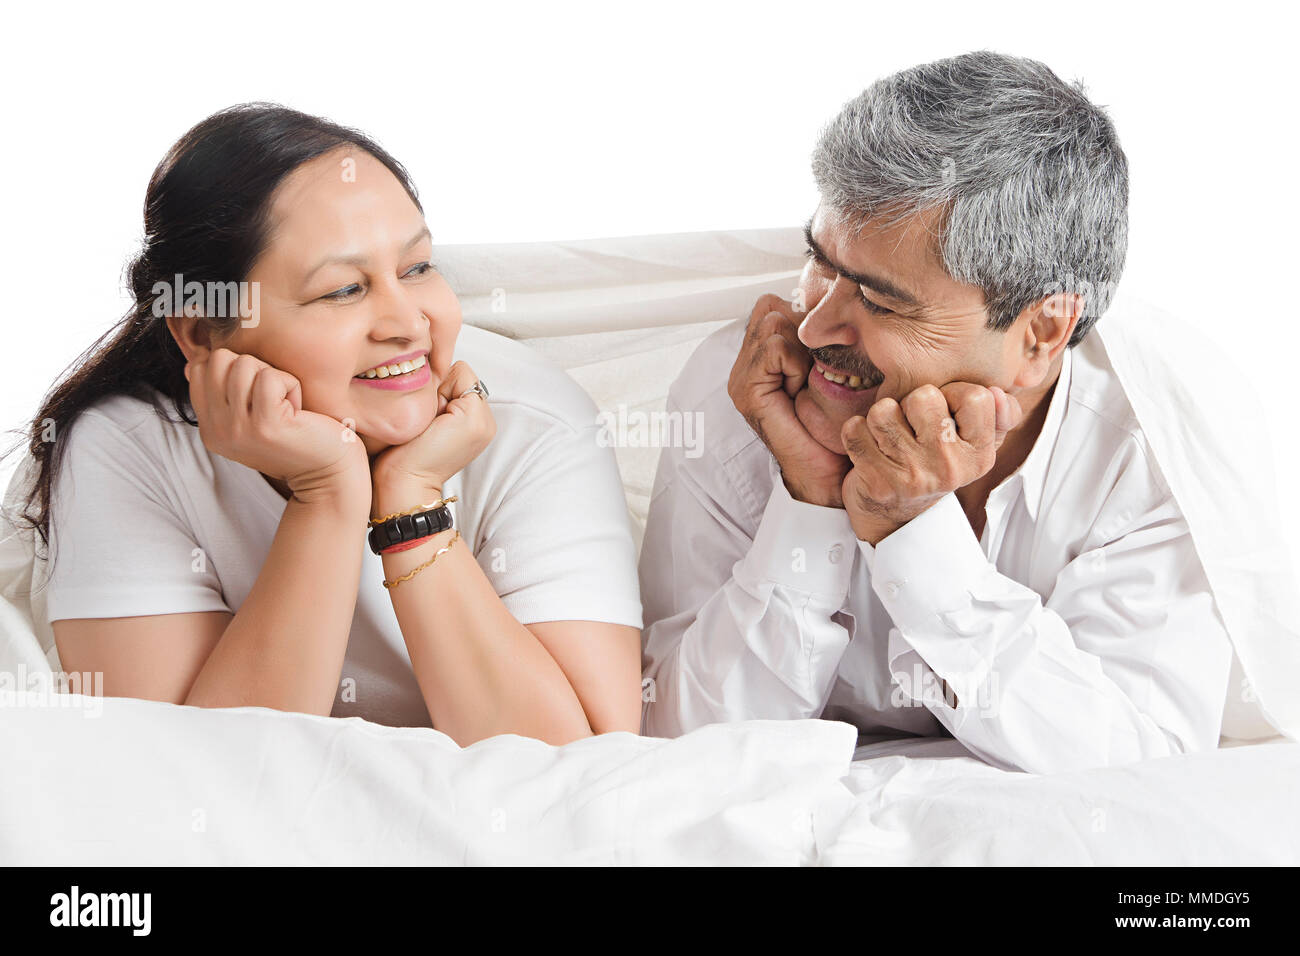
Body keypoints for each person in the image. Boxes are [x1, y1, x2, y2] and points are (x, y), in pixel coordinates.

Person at [639, 51, 1246, 773]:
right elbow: (676, 744)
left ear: (1041, 335)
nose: (813, 329)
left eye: (880, 300)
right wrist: (810, 503)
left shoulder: (1149, 451)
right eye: (822, 265)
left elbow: (1147, 762)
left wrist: (912, 529)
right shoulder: (743, 391)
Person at [2, 104, 643, 746]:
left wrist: (412, 506)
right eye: (343, 290)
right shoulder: (129, 449)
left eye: (416, 268)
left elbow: (581, 763)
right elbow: (187, 782)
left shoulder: (535, 422)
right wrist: (328, 496)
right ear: (202, 331)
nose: (408, 323)